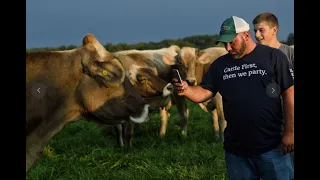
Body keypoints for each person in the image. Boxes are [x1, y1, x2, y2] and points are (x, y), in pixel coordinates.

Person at [172, 16, 294, 180]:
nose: (228, 48)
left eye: (232, 42)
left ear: (245, 35)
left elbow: (289, 93)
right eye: (224, 43)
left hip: (272, 147)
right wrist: (186, 90)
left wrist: (290, 132)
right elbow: (204, 92)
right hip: (236, 152)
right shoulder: (220, 65)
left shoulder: (273, 57)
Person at [252, 12, 295, 169]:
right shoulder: (252, 57)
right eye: (254, 30)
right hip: (265, 127)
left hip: (289, 123)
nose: (257, 35)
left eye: (261, 30)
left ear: (274, 30)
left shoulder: (290, 54)